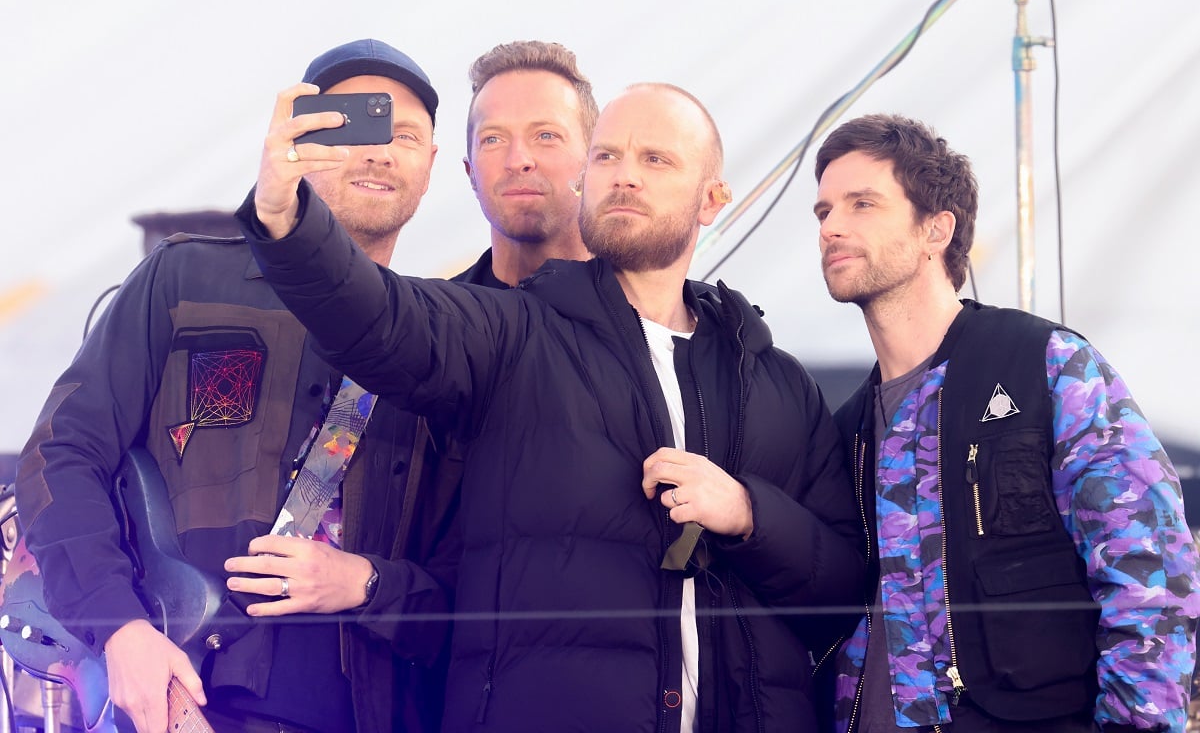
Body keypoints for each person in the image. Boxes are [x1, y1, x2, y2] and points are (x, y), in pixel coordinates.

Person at [237, 82, 865, 731]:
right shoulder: (513, 332)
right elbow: (381, 317)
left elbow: (842, 595)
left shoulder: (780, 384)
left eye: (656, 159)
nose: (624, 175)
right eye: (606, 157)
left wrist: (747, 513)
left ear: (713, 199)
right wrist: (285, 215)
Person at [15, 39, 458, 733]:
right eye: (356, 129)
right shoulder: (186, 282)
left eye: (404, 136)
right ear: (300, 143)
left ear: (432, 168)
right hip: (179, 700)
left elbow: (476, 575)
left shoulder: (444, 340)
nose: (379, 153)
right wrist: (120, 627)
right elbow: (60, 456)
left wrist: (368, 585)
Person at [811, 113, 1200, 733]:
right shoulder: (843, 430)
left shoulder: (1044, 365)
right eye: (824, 210)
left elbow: (1151, 573)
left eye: (862, 204)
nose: (832, 226)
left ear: (936, 228)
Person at [455, 40, 594, 288]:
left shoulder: (659, 313)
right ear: (470, 173)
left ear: (594, 163)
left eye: (546, 135)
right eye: (493, 139)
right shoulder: (438, 321)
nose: (518, 161)